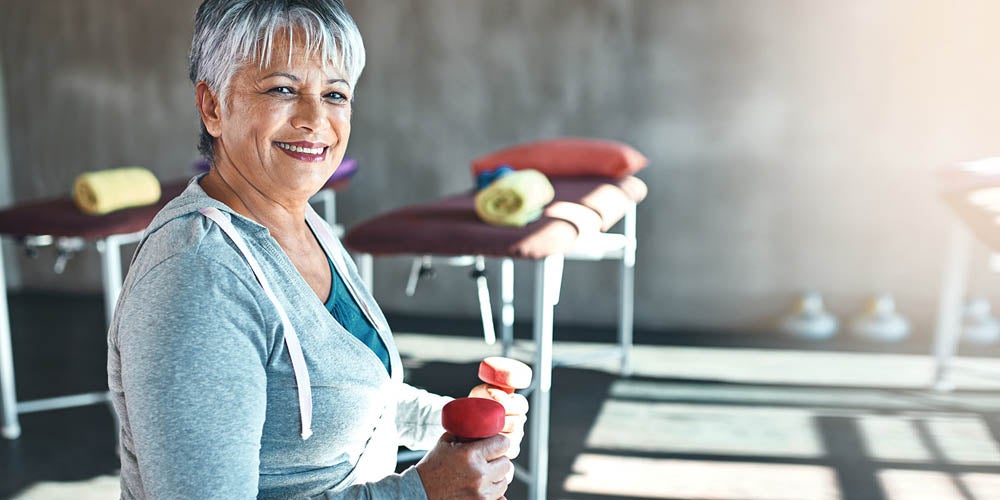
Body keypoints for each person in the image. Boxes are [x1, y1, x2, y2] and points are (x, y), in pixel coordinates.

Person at [106, 1, 527, 498]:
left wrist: (450, 423)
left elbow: (356, 398)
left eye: (335, 94)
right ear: (213, 106)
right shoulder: (198, 275)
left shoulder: (303, 220)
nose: (315, 119)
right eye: (283, 89)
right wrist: (422, 492)